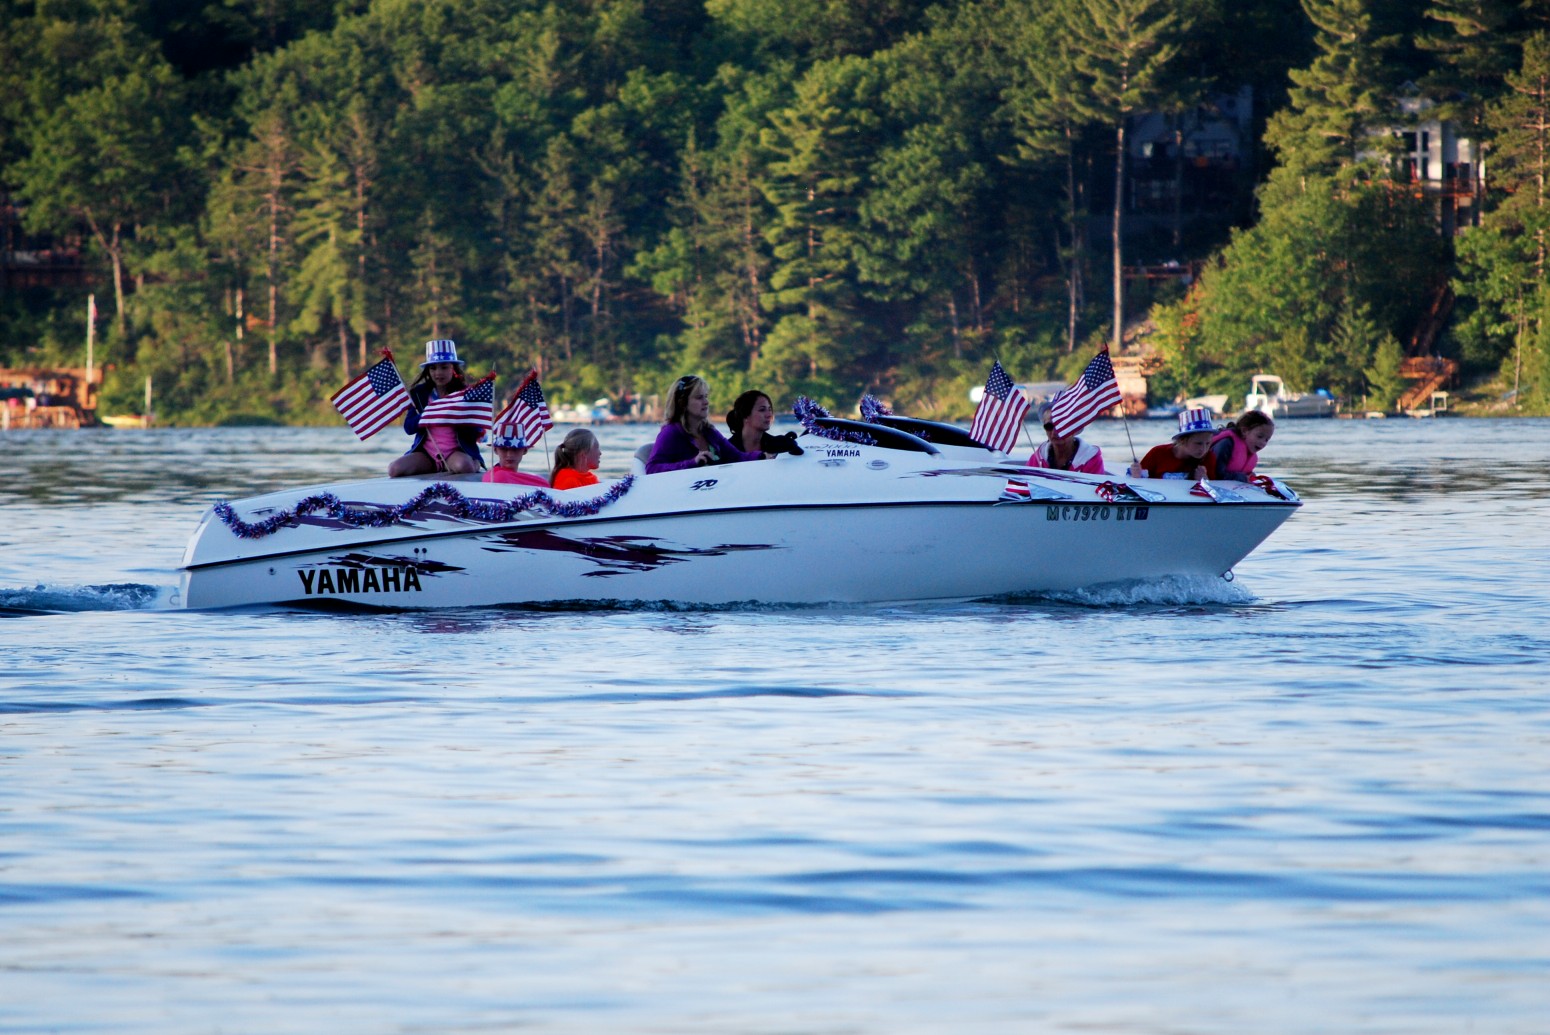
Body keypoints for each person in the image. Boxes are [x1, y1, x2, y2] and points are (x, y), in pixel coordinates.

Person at [388, 340, 484, 477]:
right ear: (428, 370)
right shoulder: (419, 393)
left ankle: (475, 463)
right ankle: (436, 468)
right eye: (433, 368)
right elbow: (409, 428)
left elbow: (477, 429)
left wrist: (459, 416)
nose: (438, 373)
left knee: (464, 466)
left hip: (455, 453)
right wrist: (428, 414)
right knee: (394, 469)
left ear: (453, 368)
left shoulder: (466, 394)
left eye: (444, 367)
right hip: (427, 454)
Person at [644, 375, 766, 474]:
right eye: (699, 398)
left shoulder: (710, 432)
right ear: (682, 403)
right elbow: (652, 468)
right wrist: (692, 463)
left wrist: (764, 456)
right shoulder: (670, 433)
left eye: (706, 397)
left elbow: (737, 457)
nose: (706, 402)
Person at [1128, 408, 1220, 480]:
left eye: (1208, 443)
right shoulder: (1157, 453)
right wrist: (1136, 475)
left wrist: (1204, 480)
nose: (1204, 449)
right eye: (1198, 443)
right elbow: (1140, 483)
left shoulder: (1209, 458)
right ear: (1182, 440)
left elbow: (1215, 490)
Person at [1026, 396, 1105, 474]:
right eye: (1049, 426)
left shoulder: (1090, 459)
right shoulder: (1038, 457)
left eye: (1062, 425)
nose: (1054, 432)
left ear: (1075, 428)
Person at [726, 390, 804, 457]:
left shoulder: (778, 444)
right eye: (762, 410)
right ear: (745, 415)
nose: (769, 415)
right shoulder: (725, 450)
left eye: (769, 409)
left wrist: (791, 445)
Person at [1208, 410, 1275, 481]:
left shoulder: (1249, 452)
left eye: (1266, 440)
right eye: (1259, 436)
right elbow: (1216, 475)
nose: (1263, 443)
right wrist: (1243, 478)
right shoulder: (1226, 444)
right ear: (1244, 431)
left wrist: (1250, 476)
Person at [483, 425, 548, 486]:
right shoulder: (499, 476)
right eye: (504, 449)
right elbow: (545, 484)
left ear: (525, 450)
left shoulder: (490, 474)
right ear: (495, 450)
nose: (509, 455)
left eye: (515, 449)